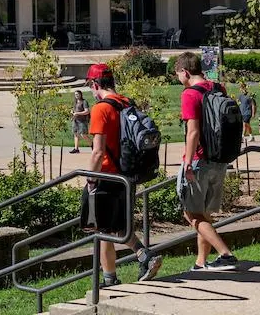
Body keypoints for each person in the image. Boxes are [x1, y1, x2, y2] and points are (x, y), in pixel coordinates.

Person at [83, 64, 162, 286]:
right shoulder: (126, 103)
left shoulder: (100, 109)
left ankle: (109, 279)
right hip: (127, 175)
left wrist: (91, 179)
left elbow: (98, 151)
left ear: (95, 84)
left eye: (90, 86)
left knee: (101, 230)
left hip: (107, 176)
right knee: (118, 226)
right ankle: (143, 255)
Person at [173, 52, 238, 270]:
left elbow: (192, 132)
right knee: (205, 215)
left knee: (190, 213)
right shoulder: (218, 88)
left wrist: (188, 163)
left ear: (185, 71)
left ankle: (226, 254)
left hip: (200, 160)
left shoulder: (189, 94)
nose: (178, 79)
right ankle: (201, 262)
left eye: (177, 75)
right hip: (219, 158)